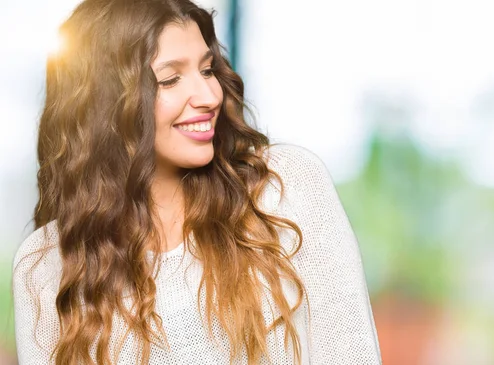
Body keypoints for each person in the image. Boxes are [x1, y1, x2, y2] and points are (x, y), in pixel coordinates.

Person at [12, 0, 381, 363]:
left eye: (207, 70)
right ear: (106, 106)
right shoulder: (43, 265)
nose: (210, 96)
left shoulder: (287, 190)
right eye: (170, 79)